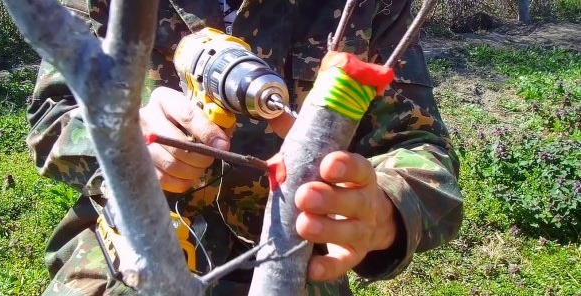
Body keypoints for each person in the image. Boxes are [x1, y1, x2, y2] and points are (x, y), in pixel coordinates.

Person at [26, 0, 463, 295]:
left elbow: (422, 151)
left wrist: (385, 207)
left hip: (298, 270)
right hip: (125, 260)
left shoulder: (366, 6)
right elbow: (53, 117)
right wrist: (125, 139)